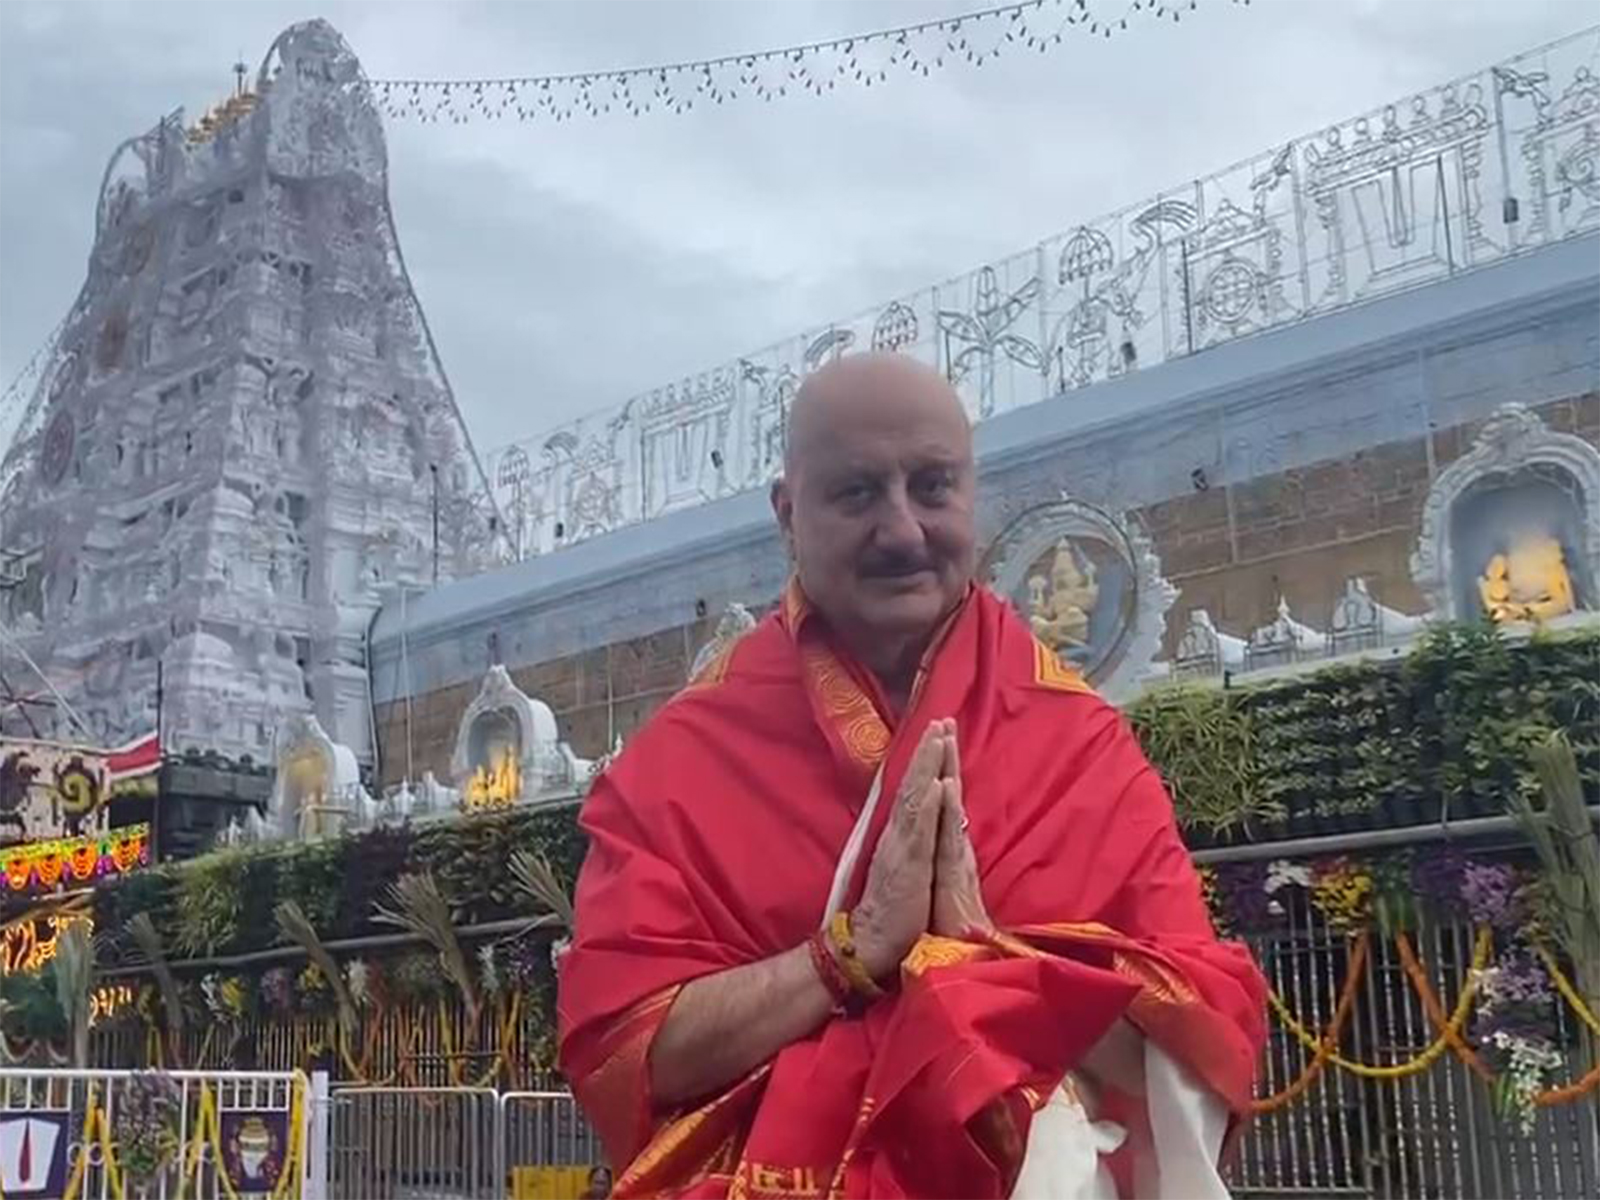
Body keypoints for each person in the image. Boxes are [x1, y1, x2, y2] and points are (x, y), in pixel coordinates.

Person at [558, 352, 1267, 1198]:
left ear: (971, 492)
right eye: (857, 493)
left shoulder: (1081, 743)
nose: (901, 531)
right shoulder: (677, 764)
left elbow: (1195, 1038)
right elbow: (623, 1049)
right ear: (787, 514)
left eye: (932, 487)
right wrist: (843, 955)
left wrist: (993, 964)